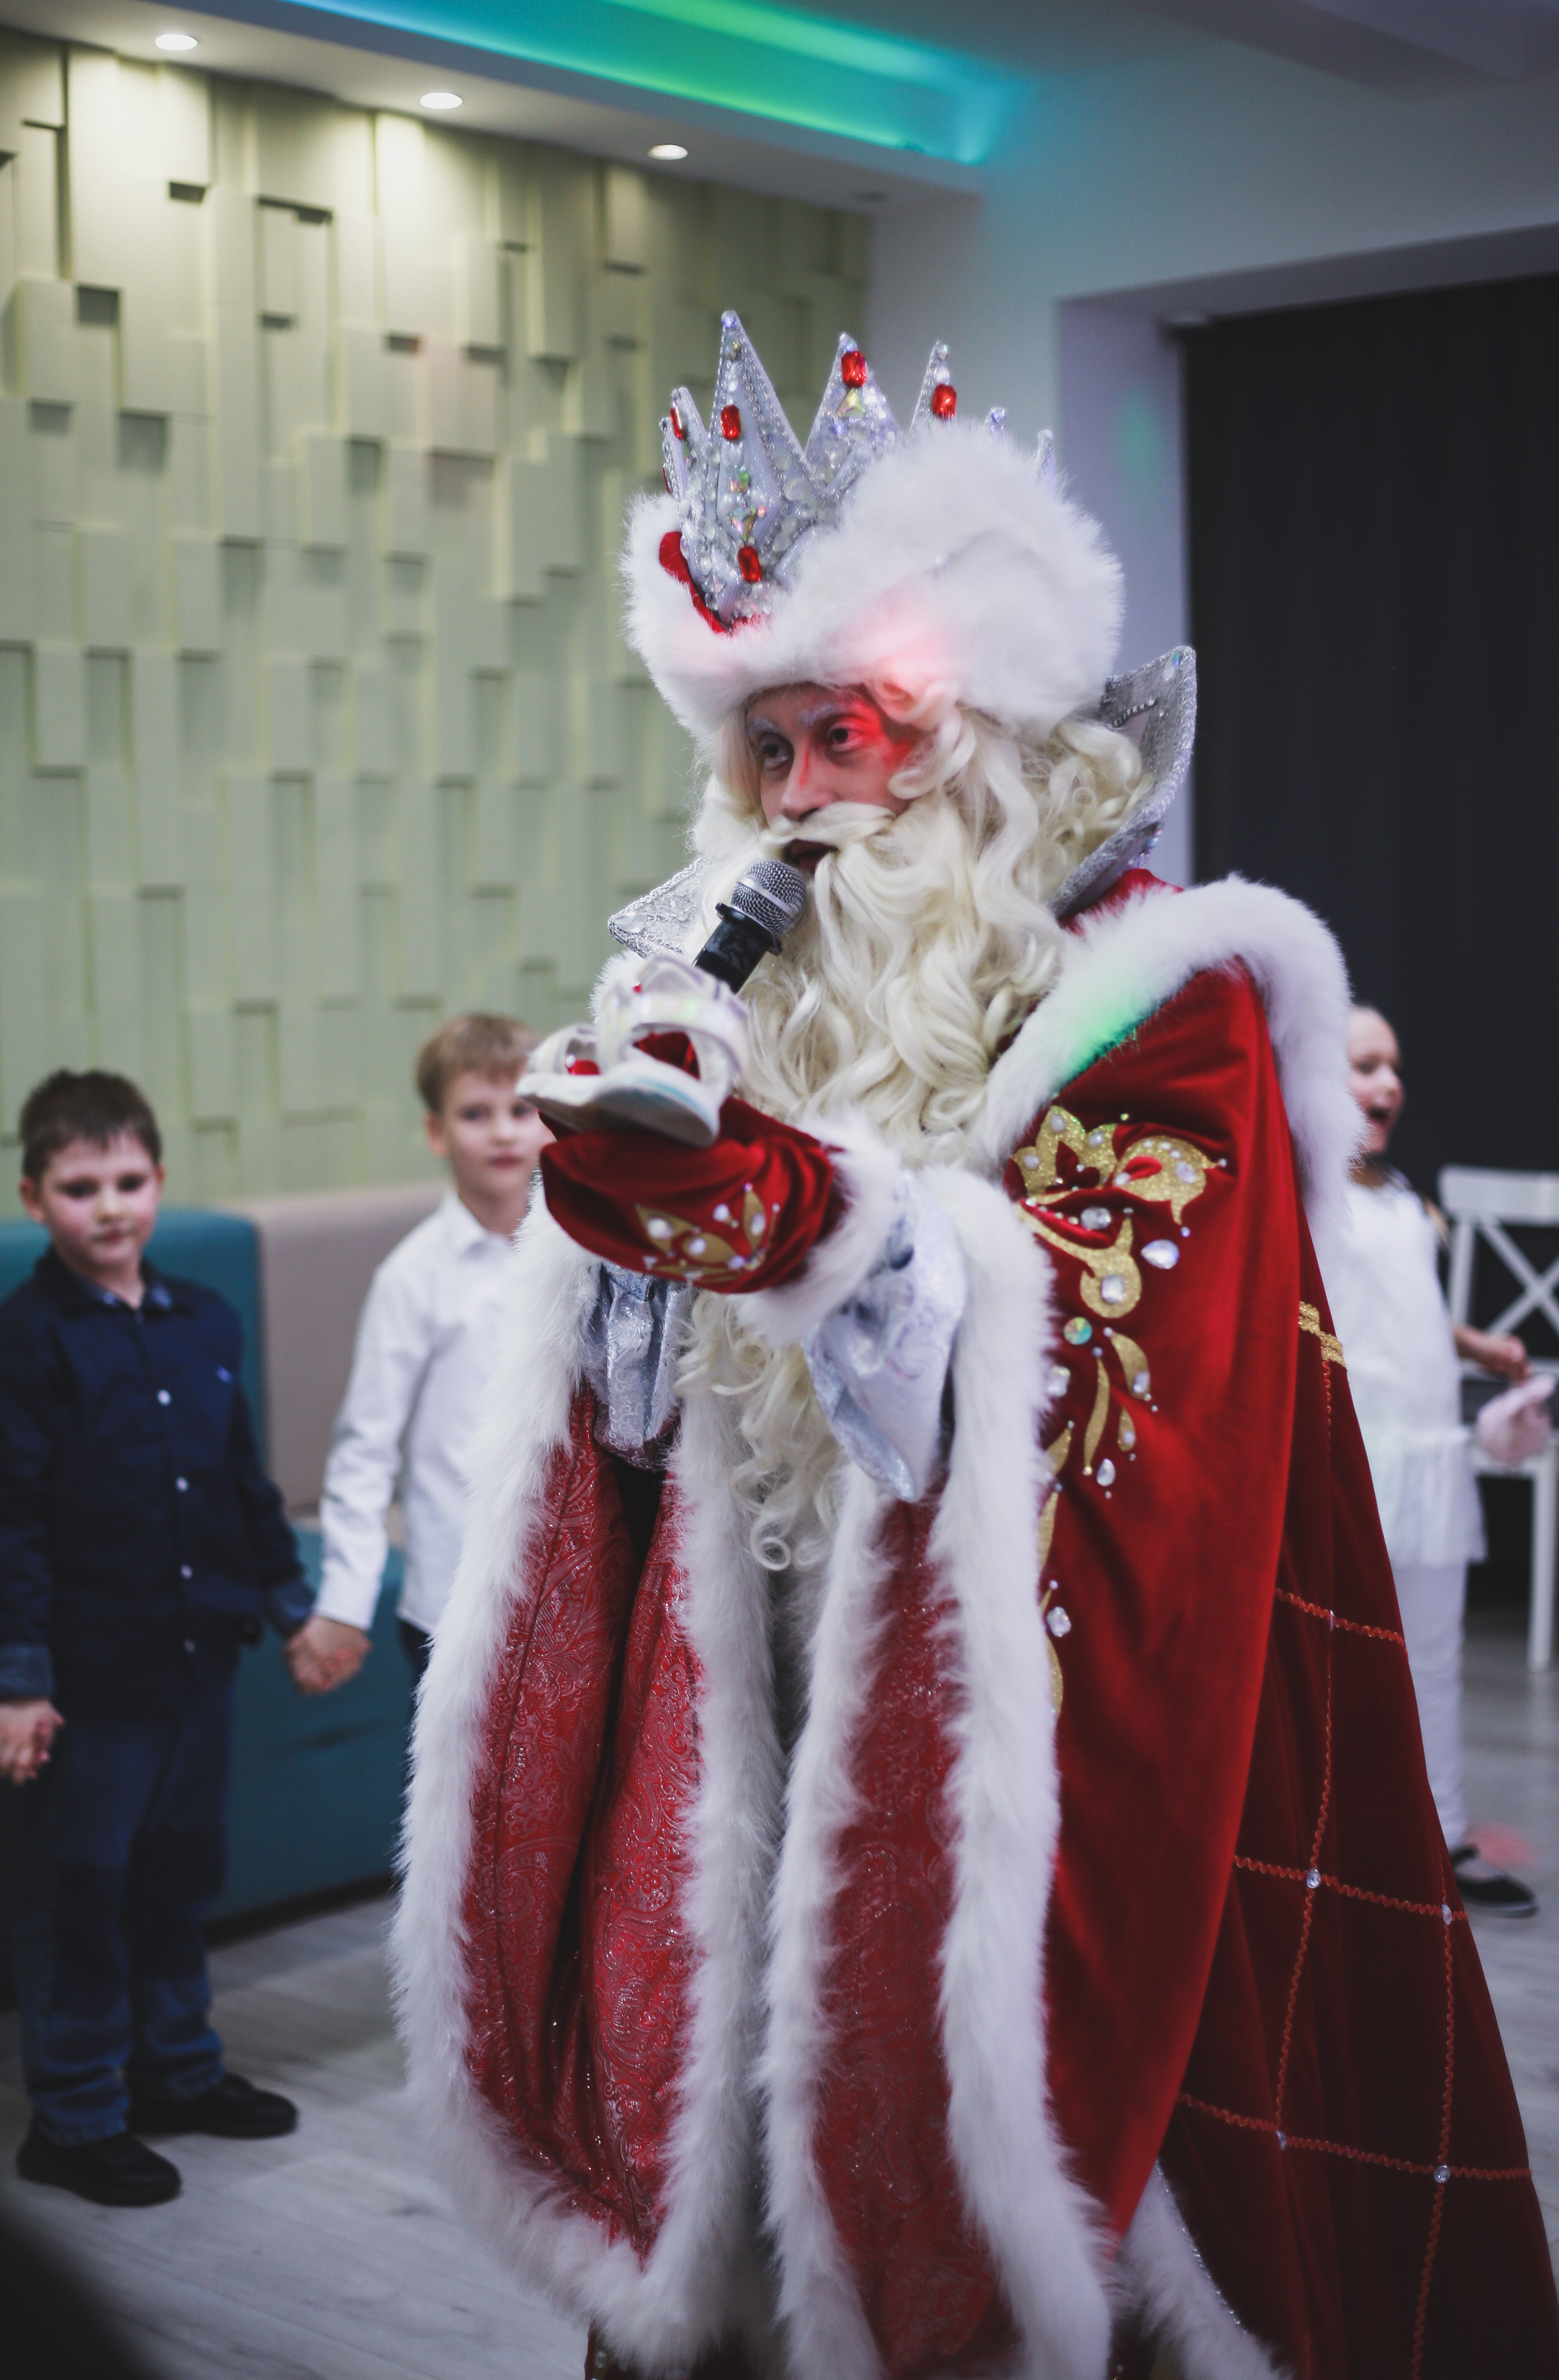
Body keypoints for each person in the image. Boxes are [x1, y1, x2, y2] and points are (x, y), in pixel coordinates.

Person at [393, 320, 1559, 2378]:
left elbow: (1090, 1370)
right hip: (760, 1743)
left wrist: (767, 1203)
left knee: (1046, 2248)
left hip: (1071, 1792)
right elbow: (648, 1438)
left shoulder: (1169, 999)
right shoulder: (738, 989)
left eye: (862, 732)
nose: (806, 795)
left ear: (999, 740)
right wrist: (632, 1241)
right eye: (768, 748)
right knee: (753, 2217)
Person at [0, 1071, 305, 2207]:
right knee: (82, 1893)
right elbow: (2, 1524)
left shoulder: (204, 1322)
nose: (108, 1207)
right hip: (88, 1677)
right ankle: (72, 2115)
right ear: (34, 1196)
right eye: (79, 1188)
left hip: (197, 1659)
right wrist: (13, 1682)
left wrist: (295, 1605)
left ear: (158, 1182)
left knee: (177, 1879)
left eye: (127, 1182)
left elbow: (242, 1482)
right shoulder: (19, 1345)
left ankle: (177, 2070)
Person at [1325, 1005, 1539, 1915]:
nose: (1388, 1084)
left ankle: (1443, 1830)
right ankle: (1334, 1836)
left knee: (1436, 1653)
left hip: (1428, 1454)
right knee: (1344, 1651)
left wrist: (1472, 1346)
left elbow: (1403, 1313)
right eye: (1365, 1066)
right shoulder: (1308, 1195)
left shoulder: (1402, 1192)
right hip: (1362, 1451)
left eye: (1394, 1067)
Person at [286, 1016, 551, 1695]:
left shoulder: (579, 1255)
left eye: (521, 1109)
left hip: (566, 1590)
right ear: (437, 1132)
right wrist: (345, 1601)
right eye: (475, 1113)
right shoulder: (413, 1278)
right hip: (451, 1602)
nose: (501, 1131)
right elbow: (364, 1453)